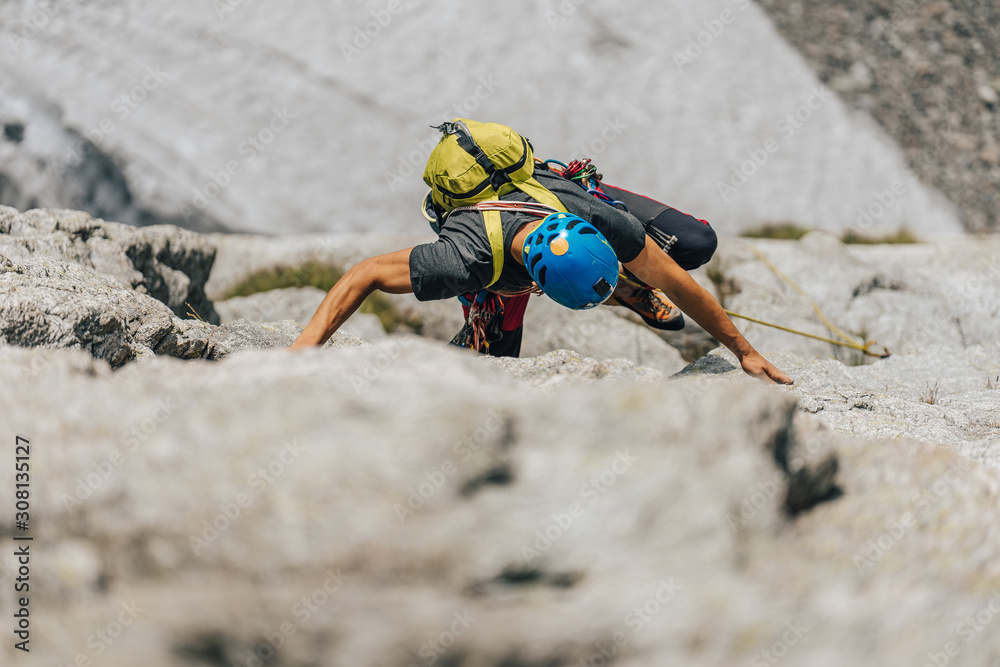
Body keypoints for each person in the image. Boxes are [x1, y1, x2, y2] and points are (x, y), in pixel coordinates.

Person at [288, 119, 792, 385]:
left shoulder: (598, 219)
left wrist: (744, 352)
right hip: (492, 239)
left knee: (695, 244)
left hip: (547, 190)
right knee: (493, 364)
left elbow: (681, 283)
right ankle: (626, 286)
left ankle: (632, 286)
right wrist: (301, 353)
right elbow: (365, 273)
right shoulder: (468, 258)